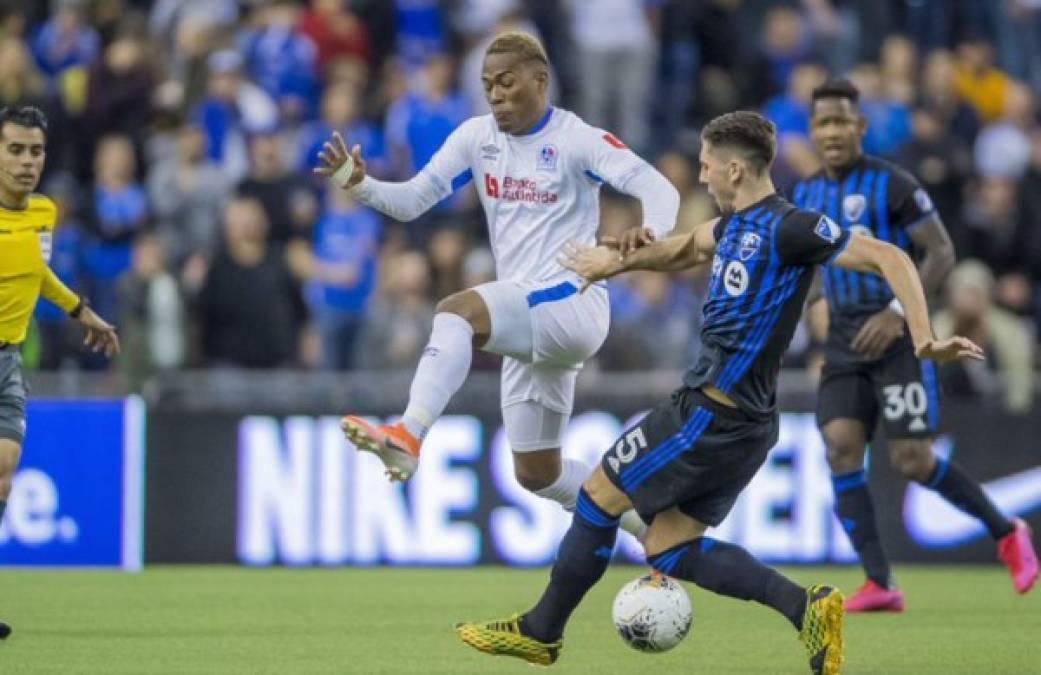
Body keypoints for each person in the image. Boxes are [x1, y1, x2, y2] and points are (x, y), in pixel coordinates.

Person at [455, 110, 984, 675]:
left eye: (707, 167)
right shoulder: (733, 226)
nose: (702, 178)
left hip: (709, 412)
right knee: (668, 547)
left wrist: (921, 334)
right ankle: (805, 608)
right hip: (744, 423)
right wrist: (613, 263)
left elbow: (890, 255)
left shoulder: (792, 227)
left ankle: (542, 632)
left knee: (597, 496)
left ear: (735, 168)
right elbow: (680, 250)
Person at [314, 31, 679, 540]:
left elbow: (656, 186)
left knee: (456, 310)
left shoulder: (576, 139)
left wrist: (652, 234)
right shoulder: (476, 137)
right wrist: (360, 184)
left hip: (573, 300)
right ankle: (654, 529)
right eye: (488, 86)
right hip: (528, 318)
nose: (496, 94)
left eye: (507, 82)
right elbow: (414, 200)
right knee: (537, 473)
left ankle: (408, 432)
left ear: (540, 80)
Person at [793, 79, 1038, 612]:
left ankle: (1006, 530)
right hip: (841, 340)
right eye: (822, 123)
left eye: (841, 122)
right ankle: (880, 581)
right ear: (812, 131)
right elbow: (809, 270)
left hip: (901, 338)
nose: (832, 131)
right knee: (839, 447)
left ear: (860, 127)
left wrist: (898, 311)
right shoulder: (804, 195)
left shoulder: (894, 185)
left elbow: (941, 253)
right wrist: (813, 316)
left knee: (912, 459)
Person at [0, 105, 120, 639]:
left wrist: (81, 310)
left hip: (7, 357)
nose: (27, 162)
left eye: (36, 151)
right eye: (15, 149)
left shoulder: (43, 212)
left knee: (4, 466)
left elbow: (38, 270)